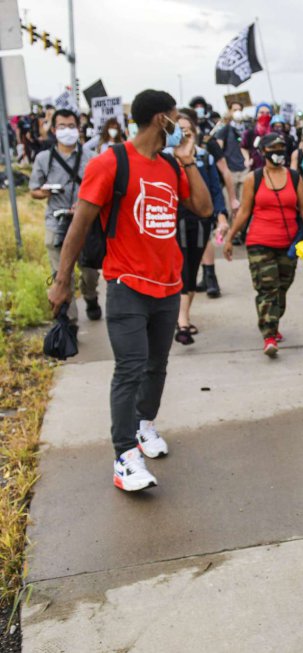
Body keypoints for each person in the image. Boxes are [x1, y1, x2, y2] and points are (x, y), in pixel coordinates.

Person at [47, 89, 213, 492]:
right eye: (175, 118)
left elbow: (205, 209)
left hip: (168, 285)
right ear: (161, 120)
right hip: (126, 285)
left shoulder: (172, 165)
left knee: (157, 365)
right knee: (130, 368)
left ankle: (144, 427)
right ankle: (124, 457)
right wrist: (62, 280)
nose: (180, 125)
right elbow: (80, 224)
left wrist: (188, 161)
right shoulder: (111, 162)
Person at [223, 134, 303, 356]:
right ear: (263, 151)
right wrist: (229, 237)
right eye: (273, 148)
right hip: (259, 242)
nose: (279, 152)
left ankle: (272, 320)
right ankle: (269, 334)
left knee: (282, 287)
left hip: (289, 244)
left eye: (282, 148)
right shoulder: (253, 179)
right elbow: (244, 211)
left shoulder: (294, 178)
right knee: (267, 289)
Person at [29, 109, 99, 323]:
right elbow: (34, 190)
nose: (66, 131)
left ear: (78, 129)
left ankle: (91, 296)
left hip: (85, 223)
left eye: (71, 126)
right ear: (53, 129)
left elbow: (101, 189)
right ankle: (69, 322)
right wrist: (46, 191)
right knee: (62, 274)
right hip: (56, 221)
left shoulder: (92, 158)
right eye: (62, 127)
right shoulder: (43, 158)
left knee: (89, 272)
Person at [170, 111, 227, 345]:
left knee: (192, 269)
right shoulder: (165, 158)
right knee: (179, 268)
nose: (184, 134)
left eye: (188, 130)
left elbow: (215, 188)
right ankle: (181, 320)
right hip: (173, 222)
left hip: (200, 221)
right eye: (179, 130)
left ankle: (183, 315)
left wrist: (221, 217)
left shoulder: (204, 157)